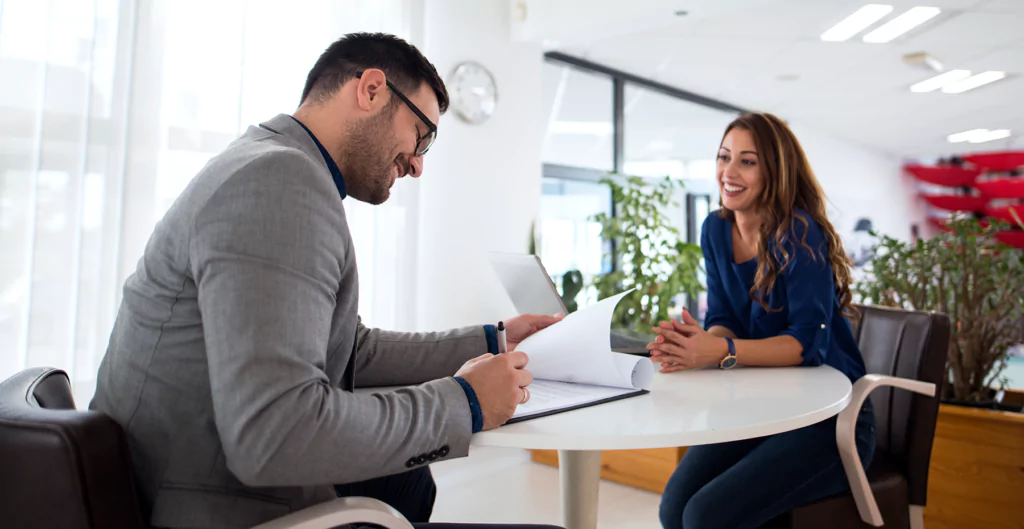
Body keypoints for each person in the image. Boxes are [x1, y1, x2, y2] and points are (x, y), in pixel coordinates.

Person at [90, 33, 562, 529]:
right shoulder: (277, 182)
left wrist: (496, 339)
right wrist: (465, 402)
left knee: (409, 481)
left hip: (181, 470)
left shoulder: (271, 162)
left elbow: (351, 350)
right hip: (208, 501)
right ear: (372, 90)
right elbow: (275, 432)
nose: (419, 165)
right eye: (422, 136)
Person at [647, 112, 876, 529]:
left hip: (831, 420)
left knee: (705, 516)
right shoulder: (715, 229)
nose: (728, 172)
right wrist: (699, 344)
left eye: (747, 161)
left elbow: (808, 345)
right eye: (723, 157)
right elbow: (723, 317)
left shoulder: (800, 233)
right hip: (763, 408)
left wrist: (720, 350)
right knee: (673, 507)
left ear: (774, 171)